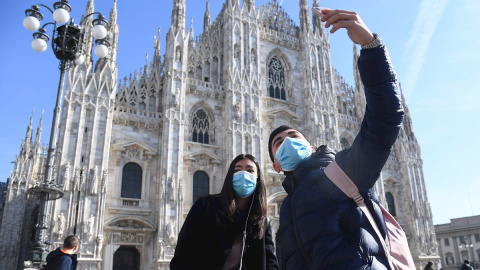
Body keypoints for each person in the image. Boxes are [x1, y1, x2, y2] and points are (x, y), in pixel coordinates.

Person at [268, 7, 405, 270]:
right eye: (278, 142)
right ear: (276, 165)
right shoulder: (287, 210)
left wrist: (371, 47)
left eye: (293, 135)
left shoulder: (344, 173)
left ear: (310, 146)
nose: (287, 142)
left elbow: (384, 119)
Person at [170, 154, 279, 270]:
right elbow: (182, 256)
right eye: (237, 170)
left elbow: (270, 263)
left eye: (250, 170)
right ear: (230, 176)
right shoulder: (205, 206)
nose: (243, 174)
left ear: (258, 179)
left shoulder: (262, 221)